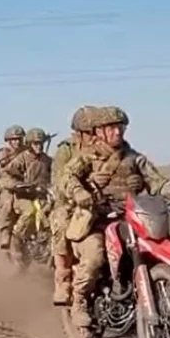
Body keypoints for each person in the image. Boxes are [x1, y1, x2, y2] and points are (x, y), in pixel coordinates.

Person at [61, 105, 170, 327]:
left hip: (130, 216)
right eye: (111, 128)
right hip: (96, 219)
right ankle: (79, 301)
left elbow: (156, 180)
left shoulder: (133, 157)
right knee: (95, 257)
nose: (117, 133)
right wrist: (79, 192)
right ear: (100, 131)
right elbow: (67, 177)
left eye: (120, 128)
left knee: (154, 246)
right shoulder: (87, 156)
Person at [50, 106, 99, 306]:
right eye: (89, 132)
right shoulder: (66, 150)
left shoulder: (104, 148)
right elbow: (60, 179)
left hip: (102, 202)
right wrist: (76, 194)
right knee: (61, 222)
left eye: (97, 131)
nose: (94, 136)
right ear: (78, 133)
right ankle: (63, 279)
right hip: (71, 203)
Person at [0, 127, 52, 267]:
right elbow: (5, 175)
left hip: (43, 195)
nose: (38, 146)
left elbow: (56, 175)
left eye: (41, 143)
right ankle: (16, 237)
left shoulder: (47, 159)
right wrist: (17, 185)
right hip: (23, 196)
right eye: (35, 143)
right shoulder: (22, 158)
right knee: (30, 211)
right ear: (29, 144)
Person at [0, 125, 25, 228]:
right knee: (8, 202)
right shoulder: (3, 153)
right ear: (9, 141)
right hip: (7, 184)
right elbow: (4, 171)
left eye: (19, 139)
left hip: (25, 183)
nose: (17, 142)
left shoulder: (26, 151)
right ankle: (5, 229)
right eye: (14, 139)